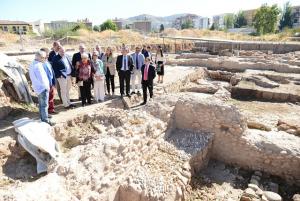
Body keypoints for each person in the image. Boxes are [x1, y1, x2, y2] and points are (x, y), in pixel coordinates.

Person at [29, 51, 54, 125]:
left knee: (41, 104)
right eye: (43, 57)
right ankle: (45, 120)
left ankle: (43, 117)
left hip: (38, 88)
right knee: (44, 105)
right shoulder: (38, 66)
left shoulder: (34, 64)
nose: (44, 59)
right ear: (39, 57)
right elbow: (42, 78)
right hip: (42, 88)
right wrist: (46, 87)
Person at [40, 48, 57, 114]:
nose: (48, 55)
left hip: (50, 83)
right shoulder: (40, 63)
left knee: (51, 96)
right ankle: (46, 111)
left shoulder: (47, 62)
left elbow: (52, 72)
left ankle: (51, 109)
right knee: (46, 98)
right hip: (45, 84)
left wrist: (53, 83)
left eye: (48, 54)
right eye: (47, 54)